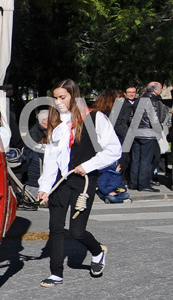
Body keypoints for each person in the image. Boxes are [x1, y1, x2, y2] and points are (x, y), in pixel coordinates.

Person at [37, 79, 120, 288]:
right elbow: (51, 160)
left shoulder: (95, 118)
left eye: (62, 97)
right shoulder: (56, 124)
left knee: (76, 231)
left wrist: (89, 165)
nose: (58, 102)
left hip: (83, 180)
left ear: (74, 96)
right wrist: (45, 188)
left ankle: (98, 251)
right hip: (61, 182)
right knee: (55, 227)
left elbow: (114, 150)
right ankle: (56, 273)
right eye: (55, 98)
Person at [129, 82, 166, 192]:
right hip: (148, 134)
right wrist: (159, 134)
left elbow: (131, 117)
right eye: (160, 88)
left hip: (136, 133)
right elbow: (154, 120)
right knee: (146, 160)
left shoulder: (138, 100)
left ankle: (133, 183)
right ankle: (143, 184)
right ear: (155, 90)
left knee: (136, 160)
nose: (161, 91)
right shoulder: (154, 101)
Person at [23, 109, 49, 201]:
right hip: (35, 166)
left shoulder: (46, 130)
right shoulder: (34, 133)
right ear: (44, 121)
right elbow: (34, 151)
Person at [115, 84, 138, 185]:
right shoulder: (122, 105)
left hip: (134, 135)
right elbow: (117, 122)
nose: (132, 94)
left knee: (132, 158)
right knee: (124, 158)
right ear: (125, 94)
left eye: (133, 92)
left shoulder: (136, 103)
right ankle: (121, 178)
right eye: (129, 92)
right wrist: (125, 134)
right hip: (125, 136)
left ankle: (129, 178)